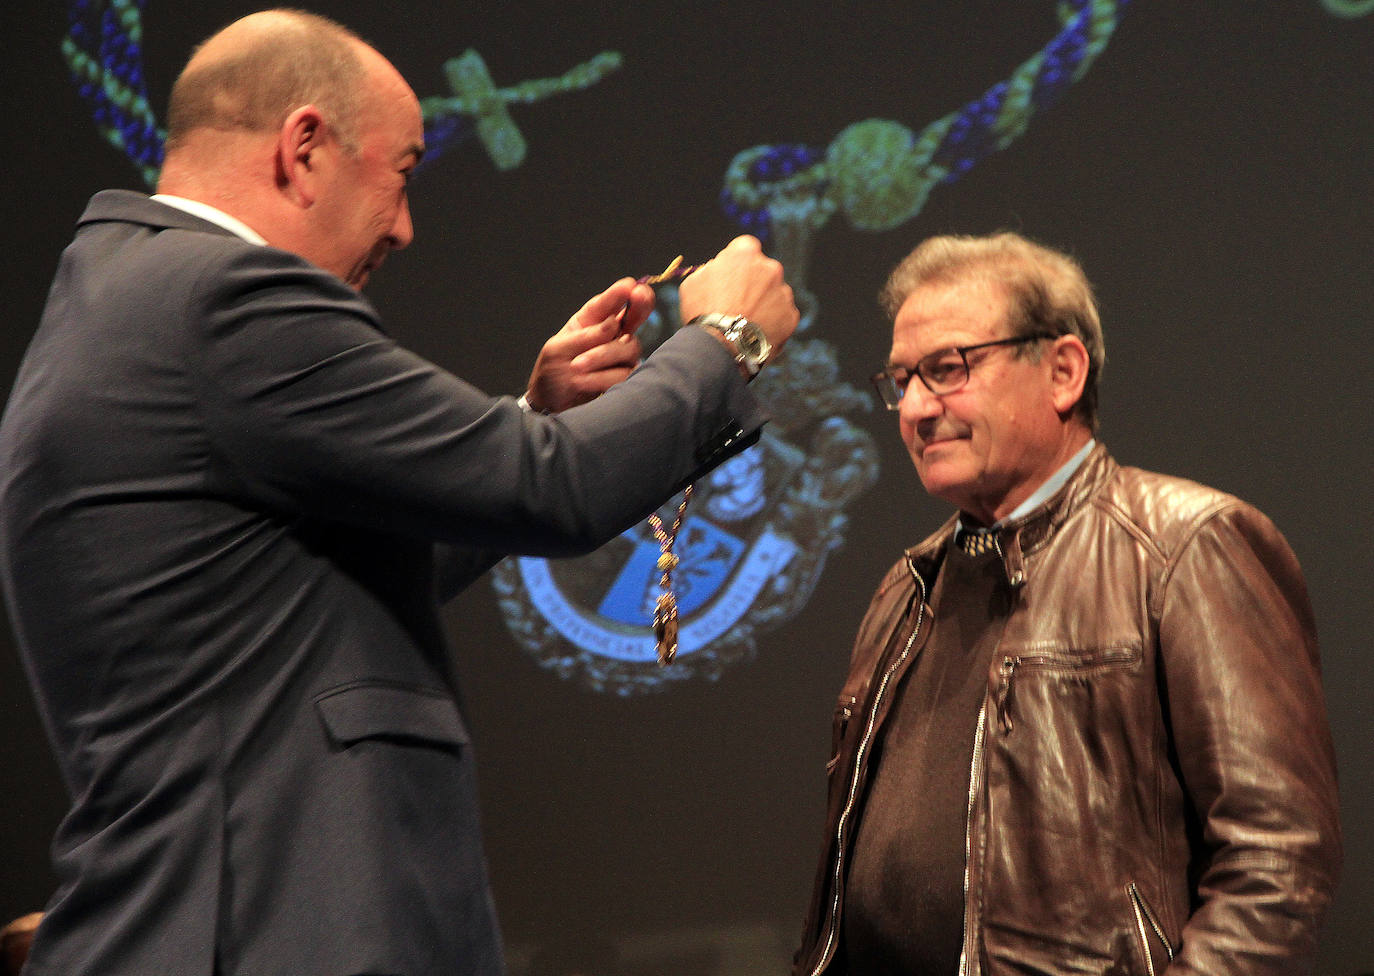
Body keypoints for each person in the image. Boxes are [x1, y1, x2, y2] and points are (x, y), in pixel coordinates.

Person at [0, 9, 798, 976]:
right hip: (272, 933)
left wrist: (533, 415)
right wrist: (725, 345)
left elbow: (333, 579)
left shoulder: (129, 298)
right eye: (404, 174)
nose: (407, 227)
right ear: (304, 148)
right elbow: (560, 490)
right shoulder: (222, 302)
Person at [794, 233, 1340, 975]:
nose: (917, 408)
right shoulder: (907, 586)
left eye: (947, 369)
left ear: (1063, 371)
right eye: (901, 380)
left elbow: (1279, 861)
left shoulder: (1183, 546)